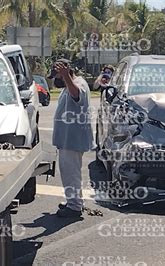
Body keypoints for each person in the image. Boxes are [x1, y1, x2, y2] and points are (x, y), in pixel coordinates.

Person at [48, 59, 94, 218]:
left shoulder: (77, 84)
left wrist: (66, 76)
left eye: (57, 77)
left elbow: (77, 96)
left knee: (71, 173)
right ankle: (74, 201)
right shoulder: (69, 86)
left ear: (66, 72)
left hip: (73, 139)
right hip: (68, 139)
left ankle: (74, 207)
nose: (55, 81)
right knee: (70, 173)